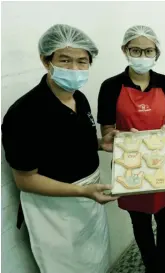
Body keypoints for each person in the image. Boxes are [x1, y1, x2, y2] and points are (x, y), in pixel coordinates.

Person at [1, 24, 118, 273]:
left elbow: (68, 144)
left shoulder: (79, 98)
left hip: (89, 199)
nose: (74, 69)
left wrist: (100, 144)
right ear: (46, 61)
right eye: (65, 61)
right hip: (54, 213)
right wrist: (82, 191)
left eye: (82, 62)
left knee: (96, 262)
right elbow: (25, 180)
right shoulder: (24, 113)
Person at [97, 25, 165, 273]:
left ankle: (164, 265)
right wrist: (119, 137)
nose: (142, 55)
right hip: (130, 165)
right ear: (125, 50)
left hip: (162, 162)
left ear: (156, 53)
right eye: (136, 50)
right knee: (139, 218)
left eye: (148, 51)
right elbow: (107, 130)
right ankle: (151, 265)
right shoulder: (111, 86)